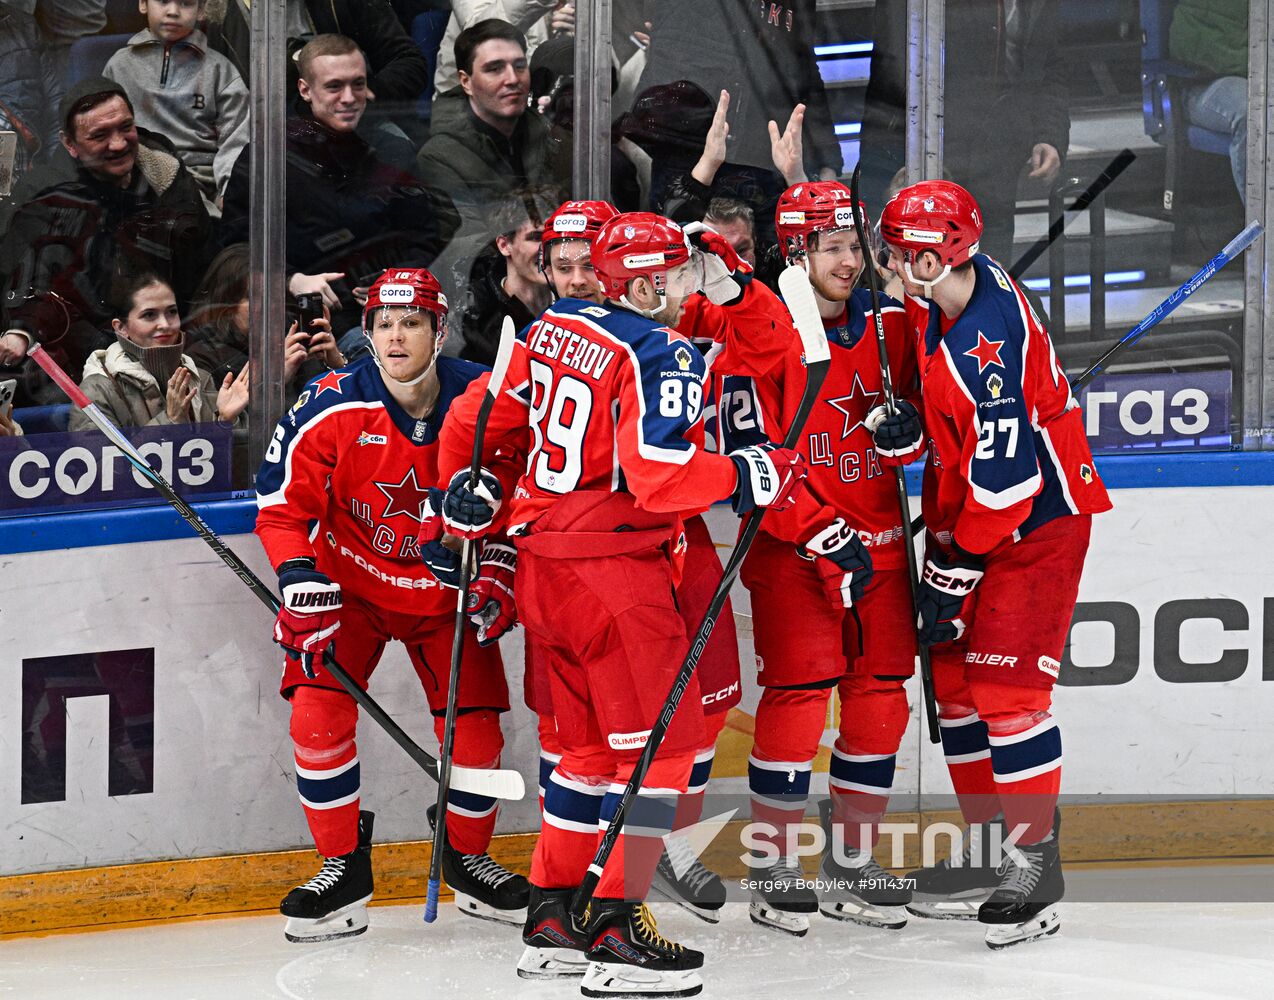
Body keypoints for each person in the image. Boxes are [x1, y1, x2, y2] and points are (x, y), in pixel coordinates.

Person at [433, 212, 808, 996]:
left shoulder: (554, 327)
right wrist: (746, 473)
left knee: (586, 757)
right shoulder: (660, 348)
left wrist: (460, 496)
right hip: (615, 575)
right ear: (646, 282)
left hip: (545, 570)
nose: (682, 286)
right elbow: (659, 476)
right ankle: (614, 926)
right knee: (660, 753)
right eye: (675, 274)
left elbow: (474, 420)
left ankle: (552, 918)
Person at [254, 267, 528, 944]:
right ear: (367, 333)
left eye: (411, 323)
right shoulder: (331, 403)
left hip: (446, 597)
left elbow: (527, 483)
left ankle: (465, 860)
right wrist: (296, 575)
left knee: (477, 738)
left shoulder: (486, 397)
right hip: (349, 591)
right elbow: (279, 505)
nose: (397, 336)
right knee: (317, 717)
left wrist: (501, 554)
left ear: (440, 330)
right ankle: (342, 868)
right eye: (384, 324)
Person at [878, 180, 1112, 948]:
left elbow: (1009, 486)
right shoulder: (944, 296)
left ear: (928, 260)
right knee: (955, 690)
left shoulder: (985, 348)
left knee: (1008, 696)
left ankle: (1035, 865)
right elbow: (960, 429)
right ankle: (989, 851)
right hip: (971, 519)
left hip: (1034, 527)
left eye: (896, 253)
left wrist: (955, 569)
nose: (887, 264)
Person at [715, 180, 922, 936]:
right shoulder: (753, 333)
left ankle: (851, 859)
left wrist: (910, 434)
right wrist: (817, 530)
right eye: (831, 246)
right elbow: (747, 462)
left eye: (855, 244)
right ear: (795, 253)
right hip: (793, 553)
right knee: (800, 701)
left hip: (883, 550)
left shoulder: (893, 324)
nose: (849, 260)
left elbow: (930, 419)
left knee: (881, 699)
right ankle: (774, 866)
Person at [0, 77, 214, 404]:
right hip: (83, 358)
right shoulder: (44, 197)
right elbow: (34, 296)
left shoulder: (166, 178)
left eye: (125, 127)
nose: (118, 144)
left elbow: (203, 273)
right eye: (99, 136)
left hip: (174, 340)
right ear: (70, 144)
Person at [220, 34, 440, 338]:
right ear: (305, 90)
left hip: (390, 314)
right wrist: (289, 280)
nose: (348, 98)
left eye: (358, 84)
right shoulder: (268, 156)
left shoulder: (392, 149)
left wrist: (396, 281)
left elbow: (425, 238)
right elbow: (235, 249)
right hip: (301, 320)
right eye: (334, 86)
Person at [859, 0, 1069, 261]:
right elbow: (895, 67)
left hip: (998, 161)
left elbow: (1051, 64)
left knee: (989, 270)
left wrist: (1049, 134)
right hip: (929, 157)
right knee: (919, 270)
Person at [415, 19, 567, 247]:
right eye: (495, 69)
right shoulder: (439, 157)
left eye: (520, 66)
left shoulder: (551, 137)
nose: (513, 79)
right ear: (466, 81)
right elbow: (469, 248)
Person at [103, 0, 250, 213]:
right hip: (135, 178)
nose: (173, 11)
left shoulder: (220, 71)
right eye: (163, 1)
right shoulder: (119, 66)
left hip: (197, 185)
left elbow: (236, 140)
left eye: (186, 3)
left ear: (201, 11)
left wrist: (228, 190)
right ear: (143, 4)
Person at [69, 270, 248, 432]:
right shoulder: (97, 389)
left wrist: (226, 421)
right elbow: (98, 458)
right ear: (121, 327)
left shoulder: (200, 378)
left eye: (172, 312)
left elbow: (224, 457)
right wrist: (170, 421)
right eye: (149, 315)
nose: (164, 324)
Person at [185, 244, 344, 398]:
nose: (269, 304)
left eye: (274, 293)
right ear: (227, 306)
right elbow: (223, 415)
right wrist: (275, 381)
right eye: (254, 296)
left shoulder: (293, 332)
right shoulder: (203, 358)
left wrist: (337, 366)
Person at [457, 190, 556, 366]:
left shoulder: (576, 298)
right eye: (536, 238)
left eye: (554, 237)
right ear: (504, 245)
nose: (548, 249)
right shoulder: (476, 319)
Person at [1170, 0, 1249, 203]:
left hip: (1254, 78)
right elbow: (1214, 55)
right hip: (1203, 84)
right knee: (1255, 114)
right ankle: (1262, 218)